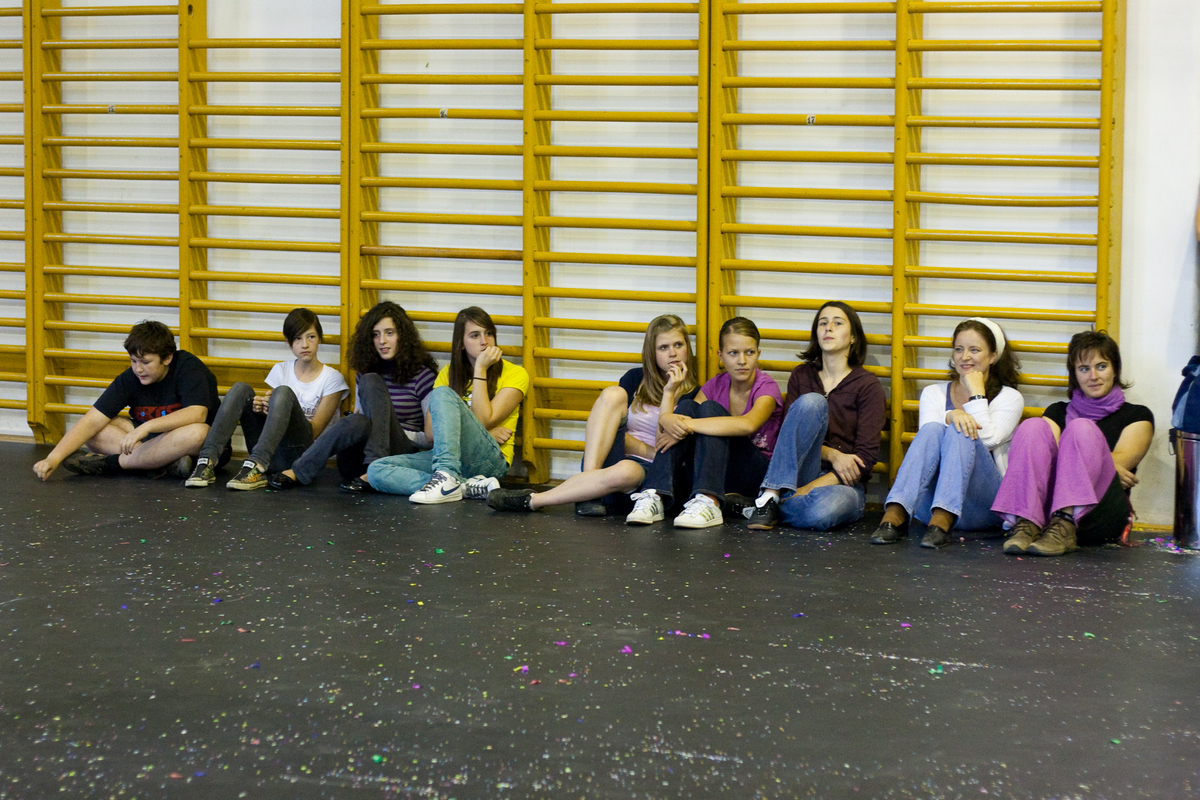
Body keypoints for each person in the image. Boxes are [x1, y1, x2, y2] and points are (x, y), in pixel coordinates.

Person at [486, 313, 702, 520]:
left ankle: (531, 500)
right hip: (611, 460)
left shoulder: (695, 395)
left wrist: (669, 392)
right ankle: (589, 488)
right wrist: (648, 450)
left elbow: (669, 452)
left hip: (651, 476)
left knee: (626, 471)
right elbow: (608, 432)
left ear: (688, 349)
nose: (673, 353)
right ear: (651, 353)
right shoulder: (635, 378)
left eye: (678, 345)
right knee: (613, 393)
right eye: (663, 347)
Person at [992, 330, 1153, 556]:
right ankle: (1027, 522)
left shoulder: (1137, 415)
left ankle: (1066, 523)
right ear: (1075, 375)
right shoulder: (1057, 411)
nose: (1093, 376)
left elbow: (1120, 463)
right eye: (1084, 369)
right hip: (1049, 518)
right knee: (1032, 427)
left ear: (1115, 369)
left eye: (1101, 366)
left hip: (1101, 512)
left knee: (1080, 428)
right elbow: (1041, 459)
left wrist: (1092, 457)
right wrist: (1099, 462)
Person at [871, 318, 1023, 549]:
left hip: (983, 508)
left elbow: (990, 439)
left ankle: (943, 520)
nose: (965, 357)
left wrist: (977, 394)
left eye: (975, 350)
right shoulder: (933, 393)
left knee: (961, 431)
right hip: (928, 508)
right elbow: (927, 441)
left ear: (993, 356)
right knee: (933, 429)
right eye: (959, 349)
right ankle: (895, 514)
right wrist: (951, 415)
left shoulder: (1009, 397)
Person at [743, 301, 886, 531]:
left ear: (853, 337)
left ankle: (767, 507)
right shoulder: (802, 375)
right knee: (812, 401)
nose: (828, 327)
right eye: (823, 323)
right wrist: (834, 455)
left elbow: (864, 459)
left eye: (837, 323)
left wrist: (806, 491)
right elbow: (789, 438)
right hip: (798, 474)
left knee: (823, 511)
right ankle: (770, 495)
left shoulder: (868, 386)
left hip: (842, 483)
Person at [268, 301, 437, 491]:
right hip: (357, 465)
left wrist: (385, 428)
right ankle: (302, 469)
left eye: (389, 333)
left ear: (402, 336)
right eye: (376, 334)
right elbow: (364, 421)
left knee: (371, 382)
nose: (382, 340)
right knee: (357, 417)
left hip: (397, 457)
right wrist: (371, 425)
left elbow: (430, 438)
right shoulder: (364, 372)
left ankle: (375, 467)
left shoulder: (423, 376)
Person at [367, 306, 529, 503]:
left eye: (489, 333)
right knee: (376, 470)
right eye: (475, 335)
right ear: (461, 343)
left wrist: (480, 368)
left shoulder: (516, 374)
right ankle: (463, 486)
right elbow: (430, 434)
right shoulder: (448, 373)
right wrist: (486, 434)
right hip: (450, 456)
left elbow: (484, 419)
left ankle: (446, 476)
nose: (484, 341)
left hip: (489, 462)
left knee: (443, 393)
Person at [32, 320, 220, 481]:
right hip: (151, 443)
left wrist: (147, 427)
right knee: (96, 430)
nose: (138, 369)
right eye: (133, 361)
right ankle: (160, 464)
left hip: (183, 442)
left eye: (146, 362)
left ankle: (112, 464)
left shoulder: (188, 368)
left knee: (198, 433)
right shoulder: (132, 377)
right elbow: (91, 420)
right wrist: (53, 458)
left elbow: (198, 413)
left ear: (167, 358)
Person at [184, 308, 348, 490]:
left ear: (319, 339)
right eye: (297, 338)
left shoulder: (332, 378)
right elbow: (272, 421)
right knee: (241, 389)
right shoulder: (280, 370)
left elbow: (315, 432)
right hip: (272, 452)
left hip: (301, 458)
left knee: (283, 392)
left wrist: (282, 407)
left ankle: (257, 466)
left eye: (311, 337)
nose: (305, 345)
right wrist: (262, 408)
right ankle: (206, 461)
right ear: (288, 342)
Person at [647, 316, 782, 528]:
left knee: (709, 410)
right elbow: (664, 438)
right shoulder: (714, 385)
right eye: (733, 353)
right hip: (719, 472)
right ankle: (655, 495)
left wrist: (688, 425)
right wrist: (668, 403)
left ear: (758, 354)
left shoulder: (766, 387)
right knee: (688, 407)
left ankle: (709, 501)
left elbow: (748, 424)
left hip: (755, 474)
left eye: (749, 352)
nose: (742, 360)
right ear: (721, 356)